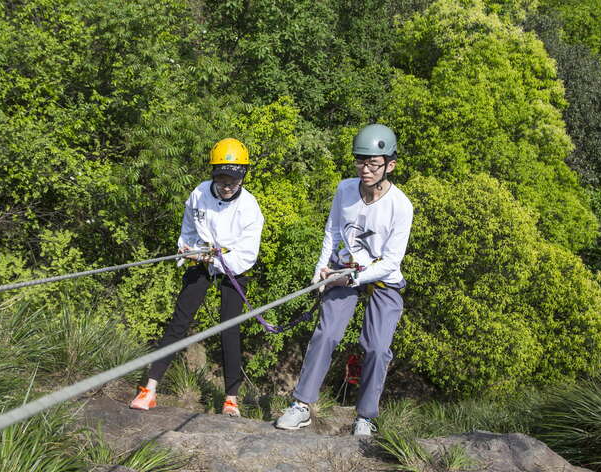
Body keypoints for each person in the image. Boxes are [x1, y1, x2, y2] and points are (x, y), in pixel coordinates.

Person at [275, 124, 413, 435]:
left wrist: (350, 279)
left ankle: (365, 417)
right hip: (345, 266)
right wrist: (321, 269)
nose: (365, 169)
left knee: (377, 346)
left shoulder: (401, 206)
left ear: (390, 165)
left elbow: (391, 262)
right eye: (360, 161)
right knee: (326, 334)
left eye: (373, 163)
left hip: (380, 277)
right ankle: (301, 405)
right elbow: (332, 232)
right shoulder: (345, 190)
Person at [130, 138, 264, 417]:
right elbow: (188, 230)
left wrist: (214, 258)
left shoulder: (250, 208)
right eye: (222, 179)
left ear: (243, 176)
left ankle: (231, 399)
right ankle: (150, 388)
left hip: (232, 266)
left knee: (230, 327)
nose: (227, 186)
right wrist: (187, 250)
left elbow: (246, 256)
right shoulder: (199, 194)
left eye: (234, 181)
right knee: (180, 320)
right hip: (201, 259)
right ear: (213, 174)